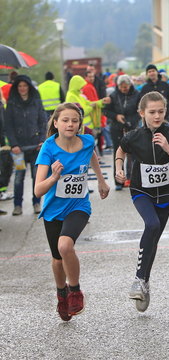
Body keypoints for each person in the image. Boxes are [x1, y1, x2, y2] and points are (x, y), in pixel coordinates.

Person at [115, 91, 169, 312]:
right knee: (152, 225)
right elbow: (121, 148)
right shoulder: (134, 136)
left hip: (166, 193)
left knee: (154, 237)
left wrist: (168, 148)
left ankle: (144, 283)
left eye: (160, 111)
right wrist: (119, 168)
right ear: (142, 113)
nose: (157, 116)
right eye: (152, 112)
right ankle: (139, 279)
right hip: (141, 190)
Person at [33, 103, 110, 321]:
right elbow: (38, 189)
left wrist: (102, 181)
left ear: (80, 124)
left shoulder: (87, 141)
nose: (70, 124)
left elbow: (91, 155)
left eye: (75, 120)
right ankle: (61, 293)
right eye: (65, 120)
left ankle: (75, 290)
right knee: (57, 259)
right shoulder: (48, 148)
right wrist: (54, 177)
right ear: (56, 123)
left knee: (65, 245)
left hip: (78, 205)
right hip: (53, 210)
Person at [4, 75, 48, 216]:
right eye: (20, 86)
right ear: (17, 88)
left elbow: (43, 122)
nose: (22, 88)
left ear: (29, 87)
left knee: (37, 176)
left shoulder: (36, 101)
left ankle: (36, 203)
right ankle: (18, 205)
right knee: (19, 177)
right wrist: (13, 144)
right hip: (18, 148)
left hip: (36, 146)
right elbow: (8, 126)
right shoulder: (11, 104)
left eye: (25, 85)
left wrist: (42, 140)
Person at [103, 74, 139, 191]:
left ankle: (133, 178)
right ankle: (119, 181)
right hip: (117, 127)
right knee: (118, 153)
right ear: (118, 86)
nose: (124, 89)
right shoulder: (113, 95)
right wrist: (116, 116)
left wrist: (130, 120)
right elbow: (106, 110)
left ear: (130, 85)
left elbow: (140, 111)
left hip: (132, 126)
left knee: (133, 153)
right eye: (122, 87)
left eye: (126, 86)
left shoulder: (137, 94)